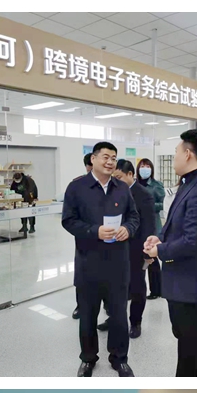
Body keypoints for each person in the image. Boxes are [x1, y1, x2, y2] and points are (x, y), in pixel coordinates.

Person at [143, 130, 197, 377]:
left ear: (188, 154)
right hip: (182, 283)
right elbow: (180, 225)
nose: (175, 157)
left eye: (176, 152)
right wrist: (161, 237)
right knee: (187, 344)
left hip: (192, 286)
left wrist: (160, 250)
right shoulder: (190, 184)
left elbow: (193, 241)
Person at [62, 141, 139, 377]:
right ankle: (88, 359)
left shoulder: (122, 188)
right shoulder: (77, 187)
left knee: (119, 316)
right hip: (89, 263)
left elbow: (134, 217)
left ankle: (119, 358)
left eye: (113, 158)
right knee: (87, 316)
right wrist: (94, 231)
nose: (110, 162)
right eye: (105, 157)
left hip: (118, 264)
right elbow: (68, 220)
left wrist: (128, 229)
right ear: (93, 159)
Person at [104, 160, 157, 340]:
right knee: (114, 286)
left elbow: (149, 225)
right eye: (114, 177)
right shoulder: (113, 191)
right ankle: (114, 319)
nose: (115, 180)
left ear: (130, 174)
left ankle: (135, 322)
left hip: (136, 248)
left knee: (137, 286)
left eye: (119, 177)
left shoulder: (144, 194)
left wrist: (147, 251)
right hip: (115, 247)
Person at [136, 157, 165, 300]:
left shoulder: (156, 185)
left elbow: (163, 203)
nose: (145, 169)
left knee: (151, 258)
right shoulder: (134, 184)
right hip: (137, 225)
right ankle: (136, 290)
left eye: (147, 166)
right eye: (142, 166)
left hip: (151, 224)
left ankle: (156, 290)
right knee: (137, 258)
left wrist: (148, 206)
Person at [73, 152, 94, 321]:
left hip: (108, 241)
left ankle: (107, 305)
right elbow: (70, 218)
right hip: (84, 240)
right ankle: (80, 306)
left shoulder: (113, 186)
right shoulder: (77, 185)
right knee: (82, 276)